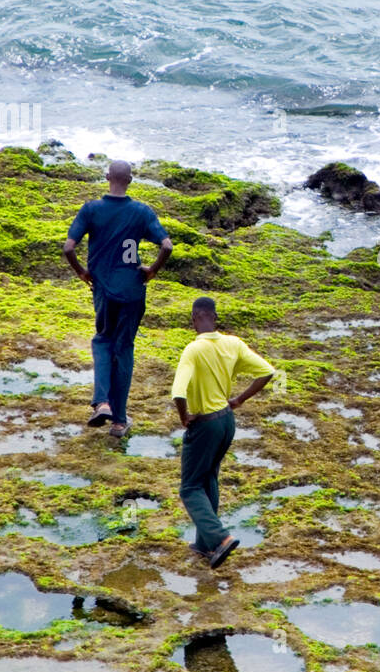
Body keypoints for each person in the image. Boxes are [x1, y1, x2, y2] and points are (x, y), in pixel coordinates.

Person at [63, 160, 173, 437]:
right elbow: (166, 245)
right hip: (134, 290)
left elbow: (68, 248)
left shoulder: (91, 210)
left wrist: (82, 273)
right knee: (124, 349)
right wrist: (152, 270)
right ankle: (119, 422)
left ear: (107, 176)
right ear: (131, 181)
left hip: (104, 289)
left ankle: (102, 402)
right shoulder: (141, 212)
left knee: (103, 341)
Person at [171, 296, 274, 569]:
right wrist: (239, 400)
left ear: (194, 319)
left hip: (205, 424)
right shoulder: (233, 343)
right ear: (214, 318)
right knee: (208, 479)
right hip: (227, 421)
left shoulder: (193, 350)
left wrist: (184, 417)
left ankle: (219, 539)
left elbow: (178, 392)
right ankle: (205, 544)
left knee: (190, 487)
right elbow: (267, 371)